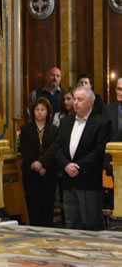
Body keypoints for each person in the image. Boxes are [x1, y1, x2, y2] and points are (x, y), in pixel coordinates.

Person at [54, 86, 110, 230]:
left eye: (80, 99)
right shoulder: (66, 122)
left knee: (90, 224)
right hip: (68, 181)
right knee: (71, 223)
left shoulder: (101, 122)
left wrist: (78, 167)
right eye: (75, 99)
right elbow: (57, 148)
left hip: (88, 180)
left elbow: (99, 151)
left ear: (91, 102)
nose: (76, 103)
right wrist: (66, 165)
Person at [20, 98, 58, 227]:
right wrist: (34, 164)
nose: (40, 112)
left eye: (43, 109)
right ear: (33, 112)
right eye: (37, 109)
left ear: (48, 112)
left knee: (47, 204)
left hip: (48, 171)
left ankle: (48, 229)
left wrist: (42, 163)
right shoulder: (25, 129)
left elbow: (54, 148)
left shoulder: (54, 129)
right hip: (31, 172)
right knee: (33, 203)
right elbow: (25, 149)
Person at [103, 77, 122, 177]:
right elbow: (103, 138)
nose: (121, 93)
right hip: (112, 162)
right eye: (119, 89)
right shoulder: (108, 110)